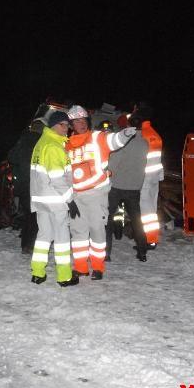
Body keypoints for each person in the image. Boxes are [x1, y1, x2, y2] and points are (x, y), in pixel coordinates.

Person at [65, 104, 135, 280]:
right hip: (76, 197)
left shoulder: (97, 137)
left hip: (96, 195)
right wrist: (69, 198)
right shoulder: (66, 146)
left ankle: (98, 267)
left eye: (83, 120)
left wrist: (125, 134)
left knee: (97, 231)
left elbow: (114, 140)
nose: (81, 123)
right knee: (78, 234)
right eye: (76, 121)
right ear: (71, 125)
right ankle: (80, 267)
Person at [29, 111, 79, 287]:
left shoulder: (41, 143)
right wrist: (70, 200)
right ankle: (64, 276)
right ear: (53, 126)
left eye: (67, 125)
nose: (66, 128)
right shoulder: (53, 146)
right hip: (56, 200)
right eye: (62, 125)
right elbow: (57, 178)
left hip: (41, 200)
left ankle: (37, 272)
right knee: (62, 239)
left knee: (44, 236)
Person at [105, 113, 149, 262]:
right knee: (137, 220)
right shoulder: (145, 142)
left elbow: (113, 164)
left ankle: (106, 253)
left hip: (117, 186)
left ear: (128, 125)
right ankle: (142, 252)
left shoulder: (123, 141)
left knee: (108, 218)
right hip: (134, 187)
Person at [7, 119, 43, 253]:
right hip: (37, 184)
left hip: (22, 185)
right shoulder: (42, 142)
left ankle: (25, 245)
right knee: (35, 216)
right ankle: (30, 245)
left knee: (28, 214)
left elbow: (11, 157)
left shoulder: (23, 140)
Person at [133, 102, 164, 247]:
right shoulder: (154, 134)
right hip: (155, 177)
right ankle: (152, 238)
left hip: (144, 178)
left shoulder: (142, 134)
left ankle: (149, 240)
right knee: (151, 209)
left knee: (146, 211)